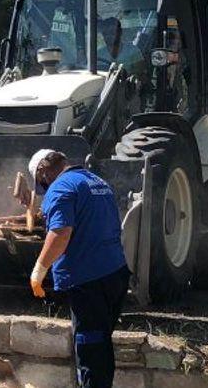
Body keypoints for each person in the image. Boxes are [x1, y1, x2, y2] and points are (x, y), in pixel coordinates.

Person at [27, 149, 130, 388]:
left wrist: (39, 271)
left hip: (88, 280)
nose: (43, 187)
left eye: (41, 181)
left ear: (43, 170)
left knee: (89, 345)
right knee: (101, 343)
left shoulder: (61, 187)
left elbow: (60, 233)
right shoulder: (96, 181)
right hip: (115, 273)